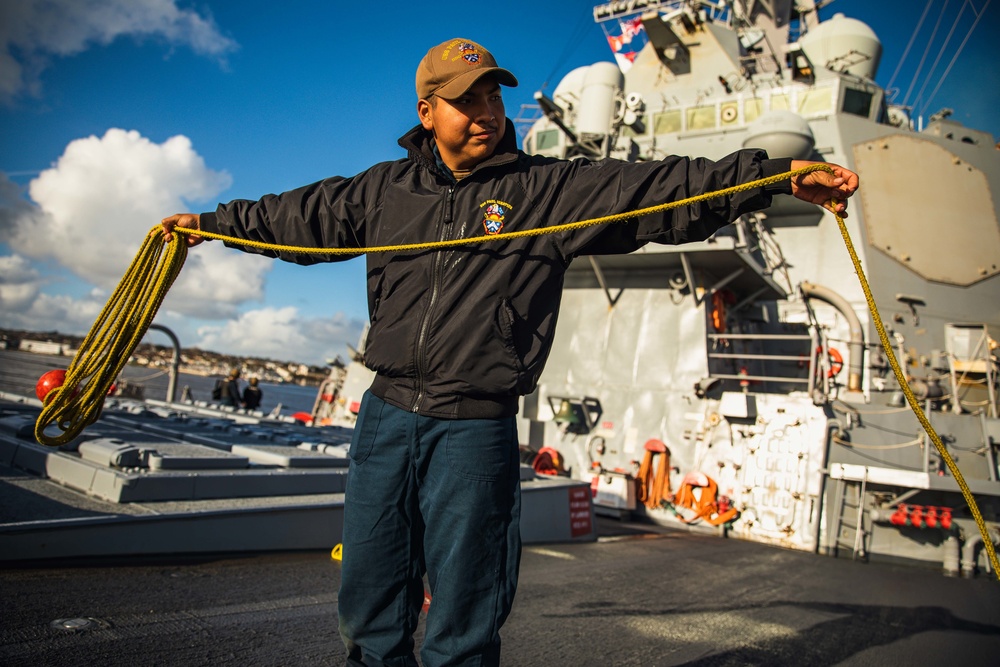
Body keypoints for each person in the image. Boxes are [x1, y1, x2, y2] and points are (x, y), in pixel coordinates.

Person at [162, 37, 858, 667]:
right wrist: (212, 225)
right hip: (386, 418)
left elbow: (655, 190)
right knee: (369, 603)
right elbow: (297, 217)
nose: (486, 111)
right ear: (427, 111)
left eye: (493, 94)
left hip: (474, 425)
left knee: (465, 615)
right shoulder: (385, 190)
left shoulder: (545, 192)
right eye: (467, 100)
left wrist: (767, 179)